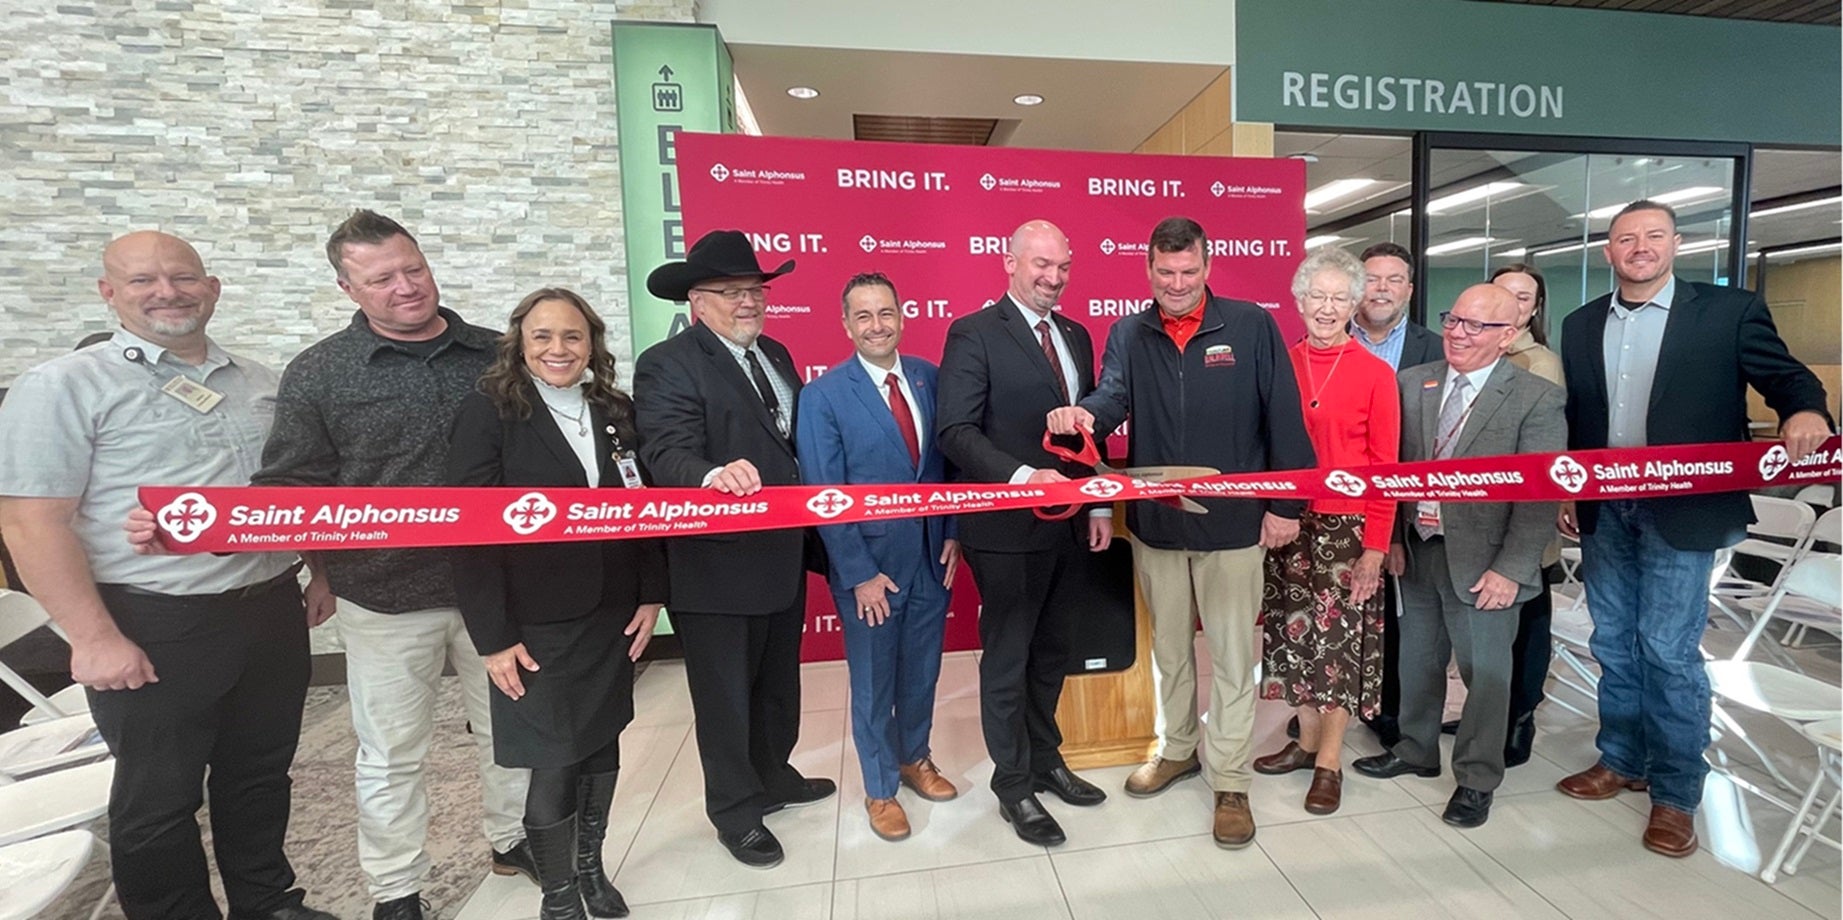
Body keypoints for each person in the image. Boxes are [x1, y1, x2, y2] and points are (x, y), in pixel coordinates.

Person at [0, 231, 336, 920]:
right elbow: (32, 523)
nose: (166, 293)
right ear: (109, 292)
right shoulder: (63, 386)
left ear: (211, 288)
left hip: (269, 608)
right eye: (143, 280)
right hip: (152, 620)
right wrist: (91, 639)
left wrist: (321, 570)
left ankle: (268, 902)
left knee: (259, 774)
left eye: (183, 278)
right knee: (159, 796)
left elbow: (295, 492)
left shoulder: (263, 382)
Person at [253, 210, 530, 920]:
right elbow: (295, 484)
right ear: (349, 288)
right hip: (383, 591)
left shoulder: (498, 355)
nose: (405, 287)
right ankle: (396, 888)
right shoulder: (319, 372)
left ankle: (515, 839)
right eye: (381, 279)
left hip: (498, 591)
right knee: (389, 753)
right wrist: (286, 552)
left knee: (511, 731)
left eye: (414, 268)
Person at [1554, 200, 1831, 857]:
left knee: (1667, 648)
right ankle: (1620, 757)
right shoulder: (1579, 323)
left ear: (1676, 244)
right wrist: (1568, 488)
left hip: (1686, 506)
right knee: (1613, 641)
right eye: (1626, 239)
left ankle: (1675, 793)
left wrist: (1805, 409)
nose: (1639, 248)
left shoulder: (1728, 311)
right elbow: (1580, 416)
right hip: (1605, 508)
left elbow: (1784, 377)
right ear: (1607, 251)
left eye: (1652, 236)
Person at [1046, 217, 1314, 849]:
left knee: (1228, 655)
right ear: (1148, 271)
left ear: (1207, 266)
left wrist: (1287, 504)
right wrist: (1086, 413)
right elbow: (1112, 397)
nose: (1176, 284)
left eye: (1187, 272)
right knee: (1169, 653)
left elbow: (1283, 416)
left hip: (1235, 521)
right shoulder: (1130, 333)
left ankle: (1230, 780)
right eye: (1164, 273)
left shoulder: (1251, 326)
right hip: (1159, 525)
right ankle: (1178, 750)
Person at [447, 288, 665, 919]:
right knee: (553, 761)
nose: (558, 349)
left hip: (611, 610)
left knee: (600, 744)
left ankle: (591, 871)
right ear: (520, 342)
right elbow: (469, 528)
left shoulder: (615, 409)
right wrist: (491, 636)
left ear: (592, 342)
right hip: (534, 621)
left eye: (572, 336)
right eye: (543, 336)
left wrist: (652, 592)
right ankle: (560, 896)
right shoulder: (489, 411)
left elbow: (643, 509)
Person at [632, 230, 835, 869]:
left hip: (779, 554)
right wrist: (707, 475)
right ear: (698, 300)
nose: (748, 302)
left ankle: (773, 774)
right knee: (723, 697)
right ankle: (735, 810)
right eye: (730, 293)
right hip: (715, 562)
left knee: (777, 684)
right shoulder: (668, 362)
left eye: (755, 290)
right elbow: (663, 448)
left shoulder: (776, 352)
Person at [1352, 284, 1565, 831]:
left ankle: (1476, 778)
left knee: (1486, 673)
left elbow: (1539, 493)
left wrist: (1513, 570)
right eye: (1453, 320)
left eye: (1477, 326)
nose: (1459, 333)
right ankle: (1416, 748)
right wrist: (1393, 538)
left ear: (1509, 336)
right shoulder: (1412, 383)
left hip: (1488, 562)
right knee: (1417, 660)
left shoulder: (1535, 397)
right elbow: (1395, 472)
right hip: (1419, 549)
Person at [936, 219, 1113, 848]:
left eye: (1063, 267)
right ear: (1009, 263)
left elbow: (1084, 432)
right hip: (1005, 529)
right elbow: (955, 430)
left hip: (1070, 528)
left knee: (1053, 653)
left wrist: (1097, 504)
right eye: (1041, 265)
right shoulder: (974, 333)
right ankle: (1013, 787)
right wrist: (1019, 476)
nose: (1053, 277)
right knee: (1009, 659)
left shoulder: (1076, 334)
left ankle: (1046, 760)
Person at [795, 272, 962, 843]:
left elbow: (948, 466)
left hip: (930, 556)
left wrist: (954, 531)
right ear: (845, 325)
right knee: (873, 682)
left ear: (902, 316)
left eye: (885, 313)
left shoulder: (930, 379)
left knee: (922, 671)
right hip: (870, 569)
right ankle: (880, 787)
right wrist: (859, 574)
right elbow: (824, 490)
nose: (876, 325)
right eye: (863, 316)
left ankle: (916, 758)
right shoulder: (822, 396)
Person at [1251, 246, 1399, 816]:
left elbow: (1386, 468)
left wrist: (1376, 547)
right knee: (1293, 642)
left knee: (1335, 646)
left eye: (1341, 297)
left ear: (1356, 303)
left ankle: (1330, 762)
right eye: (1318, 296)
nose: (1328, 307)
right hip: (1286, 522)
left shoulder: (1375, 374)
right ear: (1299, 300)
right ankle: (1305, 741)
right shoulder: (1279, 364)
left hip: (1347, 528)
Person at [1347, 241, 1441, 748]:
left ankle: (1393, 713)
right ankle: (1337, 700)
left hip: (1409, 505)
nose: (1381, 289)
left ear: (1408, 288)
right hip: (1339, 503)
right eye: (1371, 279)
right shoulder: (1328, 335)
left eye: (1392, 280)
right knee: (1344, 609)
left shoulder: (1437, 348)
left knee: (1406, 620)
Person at [1489, 262, 1564, 767]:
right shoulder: (1471, 355)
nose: (1512, 305)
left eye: (1523, 297)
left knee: (1528, 625)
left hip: (1525, 524)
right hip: (1478, 524)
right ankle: (1492, 714)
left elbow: (1540, 458)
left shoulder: (1539, 364)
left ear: (1535, 309)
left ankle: (1520, 719)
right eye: (1502, 294)